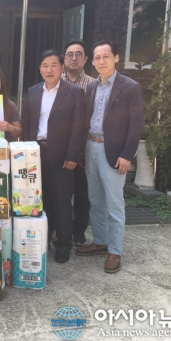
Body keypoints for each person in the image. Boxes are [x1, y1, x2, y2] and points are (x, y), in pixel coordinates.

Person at [76, 40, 143, 274]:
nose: (101, 61)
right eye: (97, 57)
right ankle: (101, 241)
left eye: (106, 56)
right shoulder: (91, 87)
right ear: (93, 62)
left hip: (114, 153)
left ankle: (115, 251)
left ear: (116, 58)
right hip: (91, 147)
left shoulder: (130, 87)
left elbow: (136, 125)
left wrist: (127, 155)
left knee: (114, 204)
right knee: (95, 199)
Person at [22, 50, 86, 264]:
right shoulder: (33, 91)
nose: (49, 70)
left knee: (61, 202)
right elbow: (28, 124)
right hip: (36, 153)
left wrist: (73, 155)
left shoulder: (74, 92)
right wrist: (25, 153)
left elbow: (78, 127)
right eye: (44, 65)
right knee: (40, 199)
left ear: (61, 68)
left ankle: (63, 244)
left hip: (62, 155)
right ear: (40, 69)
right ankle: (44, 239)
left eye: (53, 65)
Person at [61, 39, 96, 248]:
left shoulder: (93, 85)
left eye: (78, 54)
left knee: (83, 191)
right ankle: (59, 228)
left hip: (84, 147)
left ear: (85, 59)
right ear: (64, 59)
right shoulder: (55, 81)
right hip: (59, 145)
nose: (73, 58)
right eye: (69, 54)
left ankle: (79, 230)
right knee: (60, 192)